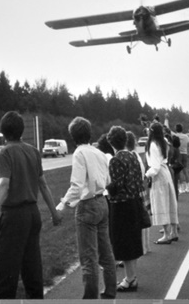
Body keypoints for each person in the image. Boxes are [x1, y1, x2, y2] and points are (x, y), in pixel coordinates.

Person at [0, 111, 62, 299]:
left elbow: (3, 185)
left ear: (3, 132)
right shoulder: (33, 151)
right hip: (32, 214)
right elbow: (43, 184)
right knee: (32, 268)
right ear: (22, 130)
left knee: (6, 271)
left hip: (13, 216)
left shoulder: (5, 152)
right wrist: (54, 213)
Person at [56, 117, 116, 299]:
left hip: (87, 205)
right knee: (106, 252)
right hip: (102, 202)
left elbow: (76, 185)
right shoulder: (99, 153)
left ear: (73, 136)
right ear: (89, 133)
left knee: (88, 258)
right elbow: (108, 181)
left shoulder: (79, 154)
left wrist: (62, 205)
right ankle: (110, 291)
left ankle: (90, 298)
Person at [106, 126, 145, 292]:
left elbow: (117, 186)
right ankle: (132, 276)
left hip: (121, 205)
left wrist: (105, 187)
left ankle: (130, 279)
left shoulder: (115, 160)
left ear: (111, 142)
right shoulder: (133, 156)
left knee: (123, 242)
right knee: (133, 240)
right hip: (135, 201)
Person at [146, 122, 179, 245]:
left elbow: (155, 167)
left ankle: (166, 234)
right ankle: (174, 231)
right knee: (170, 201)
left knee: (161, 203)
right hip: (166, 171)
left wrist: (146, 175)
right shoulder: (164, 141)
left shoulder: (153, 145)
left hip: (159, 174)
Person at [126, 131, 151, 255]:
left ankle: (142, 247)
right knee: (143, 218)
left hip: (135, 189)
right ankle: (145, 246)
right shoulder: (136, 154)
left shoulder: (130, 156)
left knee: (138, 220)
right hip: (141, 187)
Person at [174, 123, 189, 194]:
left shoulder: (175, 135)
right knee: (185, 170)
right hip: (185, 153)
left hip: (178, 154)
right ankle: (188, 187)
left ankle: (182, 188)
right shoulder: (186, 136)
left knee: (179, 171)